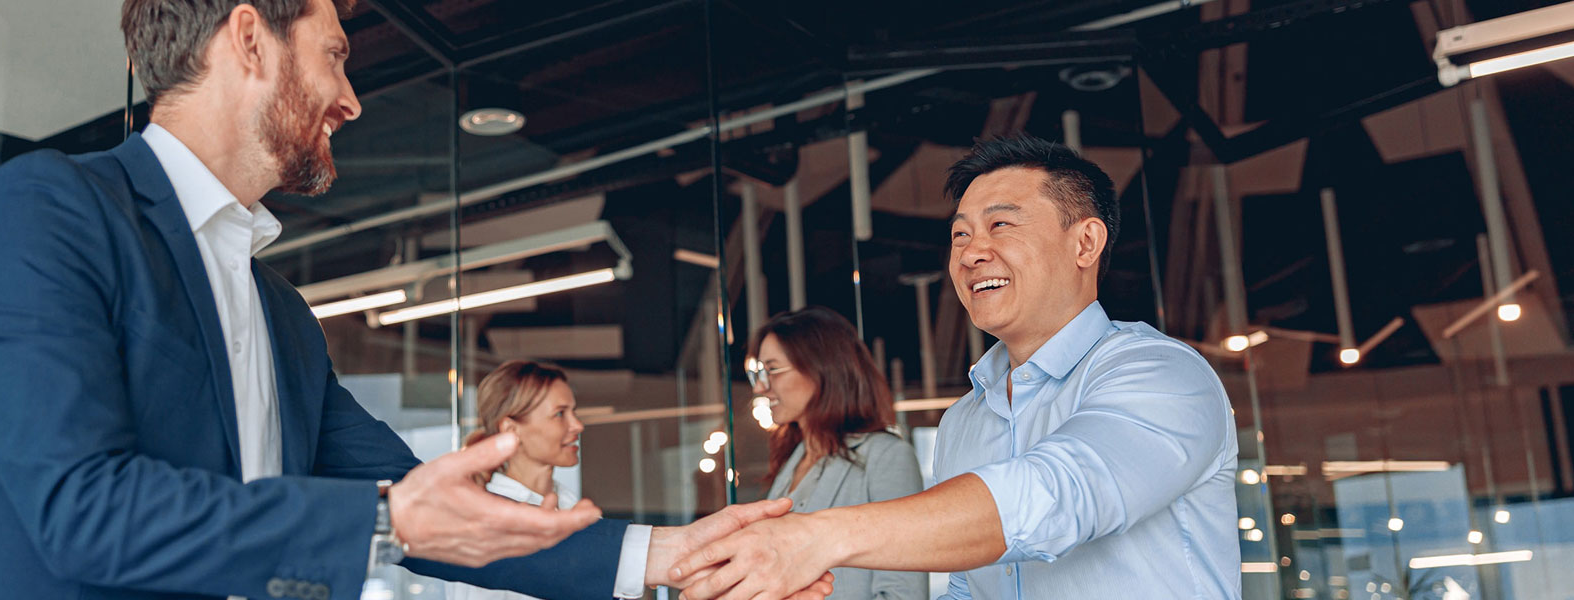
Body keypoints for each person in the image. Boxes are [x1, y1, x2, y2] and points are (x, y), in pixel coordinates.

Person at [0, 2, 838, 599]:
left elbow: (445, 511)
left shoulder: (281, 321)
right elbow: (80, 509)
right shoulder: (49, 206)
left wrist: (669, 557)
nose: (350, 98)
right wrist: (389, 521)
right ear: (248, 37)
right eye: (336, 55)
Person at [668, 136, 1240, 600]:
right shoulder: (964, 419)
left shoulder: (1162, 374)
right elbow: (967, 590)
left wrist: (817, 538)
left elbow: (1060, 492)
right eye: (960, 234)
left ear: (1085, 242)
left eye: (1002, 225)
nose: (971, 252)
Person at [745, 308, 926, 600]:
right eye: (758, 372)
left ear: (821, 369)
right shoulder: (792, 462)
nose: (760, 387)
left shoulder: (886, 457)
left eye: (773, 369)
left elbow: (903, 593)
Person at [448, 360, 587, 600]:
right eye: (560, 414)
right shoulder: (485, 525)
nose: (578, 425)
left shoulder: (576, 509)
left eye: (574, 412)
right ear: (511, 429)